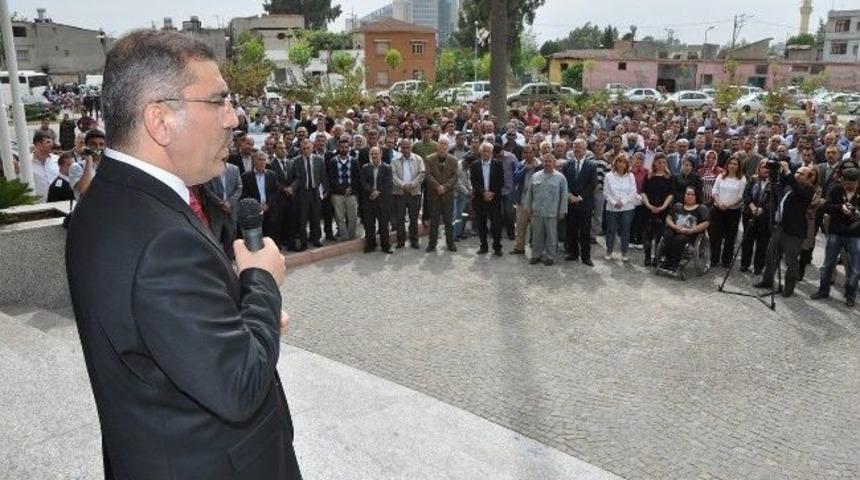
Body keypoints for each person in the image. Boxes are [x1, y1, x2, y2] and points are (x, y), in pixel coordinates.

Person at [65, 30, 301, 480]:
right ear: (160, 120)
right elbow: (239, 385)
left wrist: (241, 312)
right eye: (219, 102)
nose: (234, 119)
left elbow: (166, 330)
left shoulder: (108, 200)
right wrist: (261, 282)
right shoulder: (161, 240)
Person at [754, 162, 816, 297]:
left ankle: (789, 287)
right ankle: (767, 280)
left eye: (801, 173)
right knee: (771, 255)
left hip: (794, 232)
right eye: (797, 172)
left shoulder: (808, 190)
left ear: (809, 178)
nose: (797, 174)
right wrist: (779, 171)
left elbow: (798, 190)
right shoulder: (790, 187)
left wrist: (788, 171)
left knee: (791, 261)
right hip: (780, 227)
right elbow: (779, 186)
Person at [811, 168, 859, 307]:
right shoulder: (836, 190)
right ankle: (823, 290)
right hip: (836, 232)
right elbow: (825, 207)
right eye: (847, 182)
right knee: (827, 264)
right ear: (842, 180)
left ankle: (851, 294)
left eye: (853, 183)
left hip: (855, 235)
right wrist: (840, 208)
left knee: (855, 268)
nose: (850, 186)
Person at [524, 152, 568, 265]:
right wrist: (528, 208)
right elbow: (529, 193)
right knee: (537, 235)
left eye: (550, 161)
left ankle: (550, 256)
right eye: (545, 161)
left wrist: (562, 211)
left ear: (554, 163)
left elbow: (564, 196)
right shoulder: (536, 176)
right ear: (542, 162)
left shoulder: (560, 178)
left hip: (552, 212)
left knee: (551, 236)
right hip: (537, 211)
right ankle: (536, 255)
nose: (547, 163)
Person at [561, 138, 597, 265]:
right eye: (575, 146)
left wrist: (580, 197)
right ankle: (573, 253)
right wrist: (570, 195)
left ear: (585, 149)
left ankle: (586, 257)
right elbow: (564, 182)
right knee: (571, 229)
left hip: (585, 203)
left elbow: (592, 184)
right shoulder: (567, 165)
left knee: (585, 231)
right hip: (570, 202)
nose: (577, 149)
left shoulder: (592, 165)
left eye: (580, 147)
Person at [659, 187, 711, 271]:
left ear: (696, 196)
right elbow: (668, 218)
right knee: (667, 234)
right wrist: (674, 226)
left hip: (690, 233)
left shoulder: (701, 208)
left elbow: (706, 223)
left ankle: (675, 261)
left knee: (679, 239)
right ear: (684, 195)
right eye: (687, 194)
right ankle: (667, 259)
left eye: (692, 195)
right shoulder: (678, 206)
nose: (689, 196)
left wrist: (692, 230)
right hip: (676, 229)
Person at [709, 155, 747, 268]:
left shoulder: (742, 179)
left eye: (735, 164)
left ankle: (726, 261)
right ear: (727, 165)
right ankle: (714, 259)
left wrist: (728, 205)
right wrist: (719, 203)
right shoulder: (721, 176)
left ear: (738, 166)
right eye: (731, 163)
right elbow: (714, 190)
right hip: (718, 209)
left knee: (730, 237)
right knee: (716, 236)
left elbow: (741, 196)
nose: (732, 166)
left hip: (733, 211)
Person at [202, 157, 242, 258]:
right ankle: (217, 262)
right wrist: (220, 203)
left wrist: (230, 203)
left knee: (230, 237)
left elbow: (239, 187)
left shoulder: (234, 169)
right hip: (216, 211)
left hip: (231, 210)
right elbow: (206, 189)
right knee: (215, 238)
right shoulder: (209, 169)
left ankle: (229, 262)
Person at [424, 137, 459, 252]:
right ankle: (432, 244)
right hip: (434, 195)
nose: (443, 146)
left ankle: (450, 243)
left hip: (448, 195)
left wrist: (445, 187)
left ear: (448, 147)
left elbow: (455, 176)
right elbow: (428, 175)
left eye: (445, 144)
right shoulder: (429, 159)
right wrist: (438, 186)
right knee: (434, 221)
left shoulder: (453, 160)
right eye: (441, 144)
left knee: (449, 221)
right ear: (437, 146)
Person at [470, 142, 504, 256]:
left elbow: (501, 181)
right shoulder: (474, 165)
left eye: (488, 151)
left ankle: (497, 247)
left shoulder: (498, 164)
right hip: (480, 199)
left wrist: (491, 193)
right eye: (484, 151)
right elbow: (474, 182)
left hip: (494, 199)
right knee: (481, 224)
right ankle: (483, 246)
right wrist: (484, 193)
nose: (486, 153)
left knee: (496, 224)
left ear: (491, 153)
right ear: (480, 152)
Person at [640, 153, 674, 266]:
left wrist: (663, 207)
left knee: (660, 235)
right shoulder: (649, 176)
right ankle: (647, 256)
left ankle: (657, 257)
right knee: (647, 234)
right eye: (659, 162)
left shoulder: (669, 177)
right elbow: (643, 192)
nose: (662, 165)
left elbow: (670, 194)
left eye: (664, 162)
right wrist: (649, 205)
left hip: (662, 210)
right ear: (654, 163)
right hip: (648, 209)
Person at [391, 138, 425, 249]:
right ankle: (401, 241)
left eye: (408, 147)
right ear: (400, 148)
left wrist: (412, 185)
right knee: (400, 218)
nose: (406, 150)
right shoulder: (395, 160)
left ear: (411, 147)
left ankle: (414, 240)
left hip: (414, 192)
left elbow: (422, 173)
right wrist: (403, 185)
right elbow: (393, 176)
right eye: (403, 147)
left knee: (414, 218)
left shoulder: (418, 159)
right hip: (399, 193)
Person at [603, 154, 638, 262]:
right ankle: (609, 250)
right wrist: (614, 203)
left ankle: (624, 252)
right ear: (615, 163)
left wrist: (622, 202)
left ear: (627, 164)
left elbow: (633, 192)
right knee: (611, 230)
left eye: (624, 162)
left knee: (625, 230)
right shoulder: (609, 176)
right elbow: (605, 192)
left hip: (627, 207)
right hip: (611, 207)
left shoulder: (631, 176)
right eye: (619, 161)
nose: (621, 164)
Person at [325, 134, 360, 241]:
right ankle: (344, 238)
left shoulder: (354, 161)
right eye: (342, 147)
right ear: (338, 147)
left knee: (353, 217)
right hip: (337, 194)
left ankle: (351, 237)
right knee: (340, 218)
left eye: (346, 147)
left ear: (349, 148)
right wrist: (342, 190)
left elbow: (357, 177)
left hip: (351, 193)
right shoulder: (333, 161)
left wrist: (351, 189)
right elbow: (332, 179)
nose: (344, 149)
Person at [740, 160, 772, 275]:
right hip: (749, 212)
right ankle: (745, 263)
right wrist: (752, 206)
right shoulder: (753, 179)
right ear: (759, 168)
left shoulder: (774, 182)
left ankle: (758, 266)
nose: (766, 169)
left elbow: (774, 200)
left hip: (765, 216)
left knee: (762, 242)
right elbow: (746, 194)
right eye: (763, 167)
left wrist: (762, 209)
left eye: (768, 168)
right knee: (747, 239)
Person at [360, 146, 394, 253]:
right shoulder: (365, 167)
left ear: (381, 154)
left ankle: (385, 246)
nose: (374, 156)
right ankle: (371, 245)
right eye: (372, 154)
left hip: (382, 200)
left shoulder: (387, 167)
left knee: (383, 225)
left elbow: (388, 183)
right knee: (369, 225)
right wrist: (371, 191)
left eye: (376, 154)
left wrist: (377, 192)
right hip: (369, 200)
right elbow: (363, 182)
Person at [511, 143, 542, 255]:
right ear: (523, 154)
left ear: (534, 153)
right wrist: (525, 169)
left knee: (536, 228)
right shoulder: (520, 164)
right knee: (520, 226)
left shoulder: (540, 165)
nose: (528, 155)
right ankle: (519, 247)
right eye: (526, 152)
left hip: (536, 202)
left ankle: (537, 250)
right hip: (522, 200)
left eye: (530, 152)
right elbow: (515, 179)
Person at [241, 151, 279, 238]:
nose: (262, 162)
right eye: (260, 160)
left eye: (264, 160)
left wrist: (268, 204)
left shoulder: (272, 175)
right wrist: (257, 205)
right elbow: (245, 194)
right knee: (256, 236)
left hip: (269, 210)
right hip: (254, 212)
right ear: (253, 161)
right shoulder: (246, 176)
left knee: (270, 235)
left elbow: (275, 192)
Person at [268, 140, 297, 250]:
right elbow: (273, 180)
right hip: (278, 198)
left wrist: (292, 188)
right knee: (278, 223)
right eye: (280, 148)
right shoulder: (270, 164)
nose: (283, 150)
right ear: (275, 150)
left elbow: (297, 177)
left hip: (291, 198)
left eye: (284, 148)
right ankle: (277, 246)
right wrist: (285, 189)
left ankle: (291, 244)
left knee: (291, 221)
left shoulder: (291, 162)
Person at [68, 129, 108, 200]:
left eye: (101, 144)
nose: (98, 147)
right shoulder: (76, 167)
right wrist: (88, 161)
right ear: (86, 146)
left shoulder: (109, 166)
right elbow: (83, 189)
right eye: (93, 144)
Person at [31, 130, 60, 202]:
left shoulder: (57, 160)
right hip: (39, 204)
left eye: (51, 142)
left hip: (59, 202)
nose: (51, 145)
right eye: (48, 142)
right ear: (38, 144)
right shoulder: (26, 163)